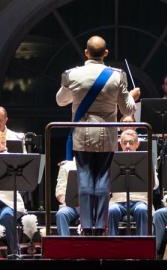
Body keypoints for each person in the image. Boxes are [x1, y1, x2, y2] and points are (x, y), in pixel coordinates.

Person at [53, 35, 138, 234]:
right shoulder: (117, 75)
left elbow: (60, 101)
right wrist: (132, 97)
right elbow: (127, 110)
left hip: (82, 134)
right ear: (106, 53)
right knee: (102, 180)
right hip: (107, 135)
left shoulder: (72, 74)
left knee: (84, 179)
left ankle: (87, 225)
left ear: (85, 52)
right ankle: (99, 227)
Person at [107, 128, 152, 235]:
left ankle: (142, 247)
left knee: (142, 210)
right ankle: (112, 248)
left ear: (137, 144)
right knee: (111, 210)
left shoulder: (146, 159)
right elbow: (107, 185)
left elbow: (155, 185)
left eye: (131, 143)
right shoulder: (112, 160)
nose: (127, 146)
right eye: (124, 143)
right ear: (120, 144)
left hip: (140, 201)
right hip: (118, 202)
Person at [51, 156, 80, 235]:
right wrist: (71, 201)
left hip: (92, 208)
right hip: (72, 206)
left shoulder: (96, 165)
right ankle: (65, 243)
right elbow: (60, 192)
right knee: (61, 214)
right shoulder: (66, 166)